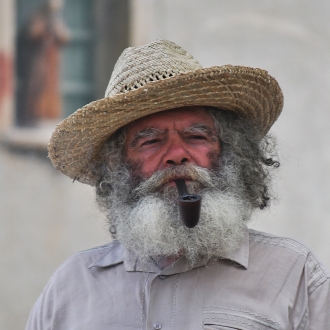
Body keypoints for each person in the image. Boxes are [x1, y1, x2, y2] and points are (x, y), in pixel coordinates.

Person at [26, 40, 330, 329]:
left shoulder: (294, 274)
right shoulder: (71, 288)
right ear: (117, 164)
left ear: (230, 151)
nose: (176, 155)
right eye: (151, 141)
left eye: (196, 137)